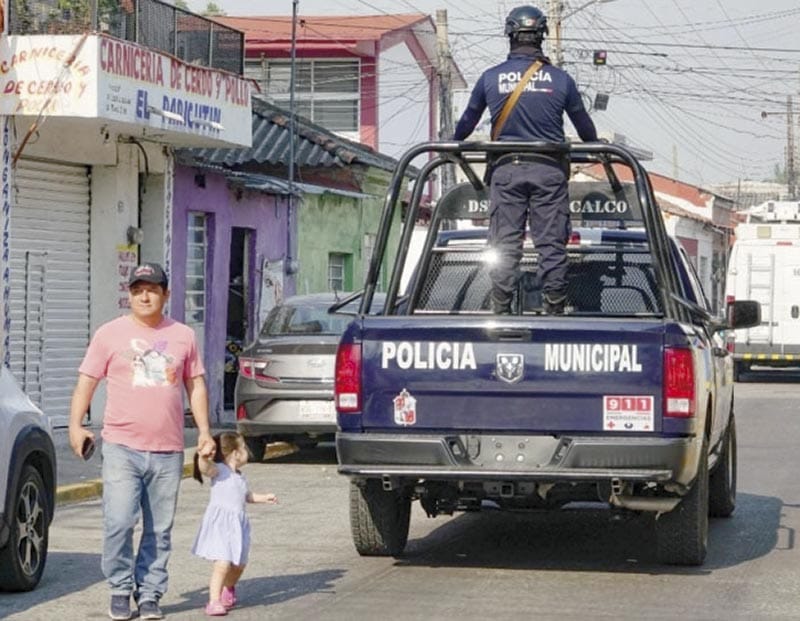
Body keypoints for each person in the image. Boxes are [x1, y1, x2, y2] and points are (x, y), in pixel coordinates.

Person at [68, 262, 215, 621]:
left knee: (159, 530)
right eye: (137, 291)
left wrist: (205, 432)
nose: (144, 296)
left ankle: (149, 594)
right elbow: (87, 380)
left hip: (168, 449)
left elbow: (195, 384)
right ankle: (120, 588)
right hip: (121, 446)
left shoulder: (183, 335)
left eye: (152, 290)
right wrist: (75, 425)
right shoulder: (109, 334)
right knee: (119, 522)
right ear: (129, 295)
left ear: (166, 294)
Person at [452, 5, 599, 315]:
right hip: (549, 172)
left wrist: (452, 145)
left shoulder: (490, 78)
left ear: (509, 34)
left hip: (506, 171)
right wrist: (596, 147)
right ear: (542, 35)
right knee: (551, 244)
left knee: (505, 243)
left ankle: (501, 310)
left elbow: (465, 124)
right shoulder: (561, 80)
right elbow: (586, 129)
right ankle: (554, 311)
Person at [192, 432, 278, 616]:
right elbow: (206, 469)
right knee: (222, 563)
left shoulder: (239, 476)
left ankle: (228, 588)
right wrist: (203, 457)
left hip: (238, 526)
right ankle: (214, 601)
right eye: (244, 448)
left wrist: (264, 497)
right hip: (221, 525)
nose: (247, 451)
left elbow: (246, 496)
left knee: (239, 565)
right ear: (235, 453)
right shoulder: (220, 471)